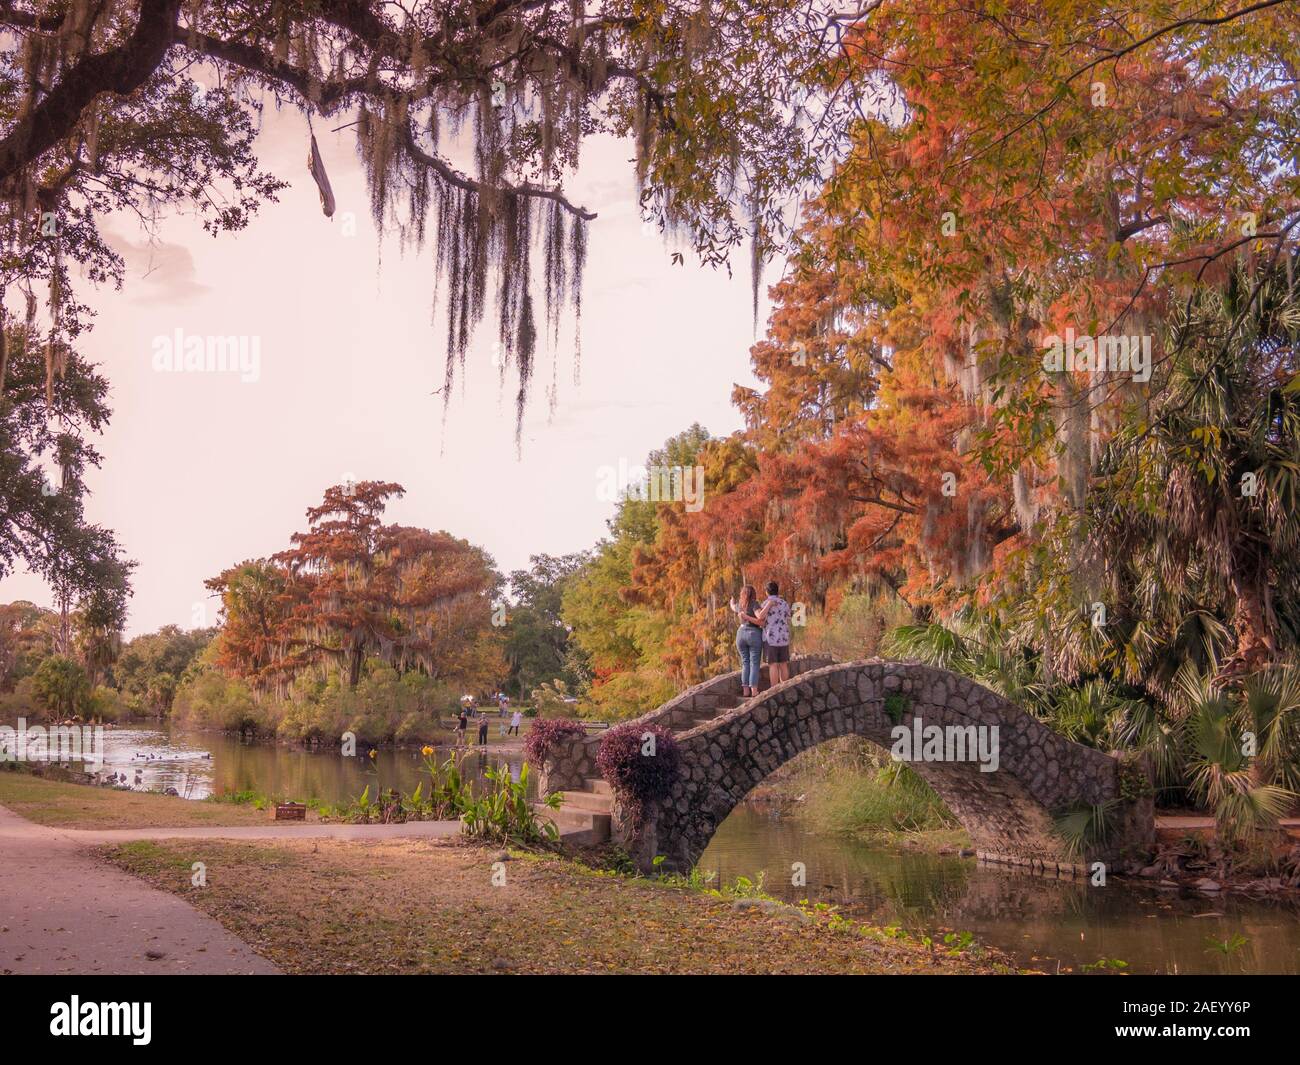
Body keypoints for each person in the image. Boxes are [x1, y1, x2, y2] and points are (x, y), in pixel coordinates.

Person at [730, 584, 764, 698]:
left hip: (740, 634)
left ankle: (745, 691)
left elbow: (733, 607)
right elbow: (760, 618)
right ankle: (754, 690)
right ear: (753, 594)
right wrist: (748, 617)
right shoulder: (754, 604)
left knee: (745, 662)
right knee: (754, 663)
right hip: (753, 634)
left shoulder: (740, 604)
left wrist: (731, 602)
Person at [755, 580, 792, 686]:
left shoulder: (766, 603)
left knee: (773, 665)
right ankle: (784, 688)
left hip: (770, 638)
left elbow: (761, 617)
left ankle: (774, 690)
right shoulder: (784, 603)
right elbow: (788, 617)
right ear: (777, 591)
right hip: (784, 637)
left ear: (767, 592)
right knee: (783, 664)